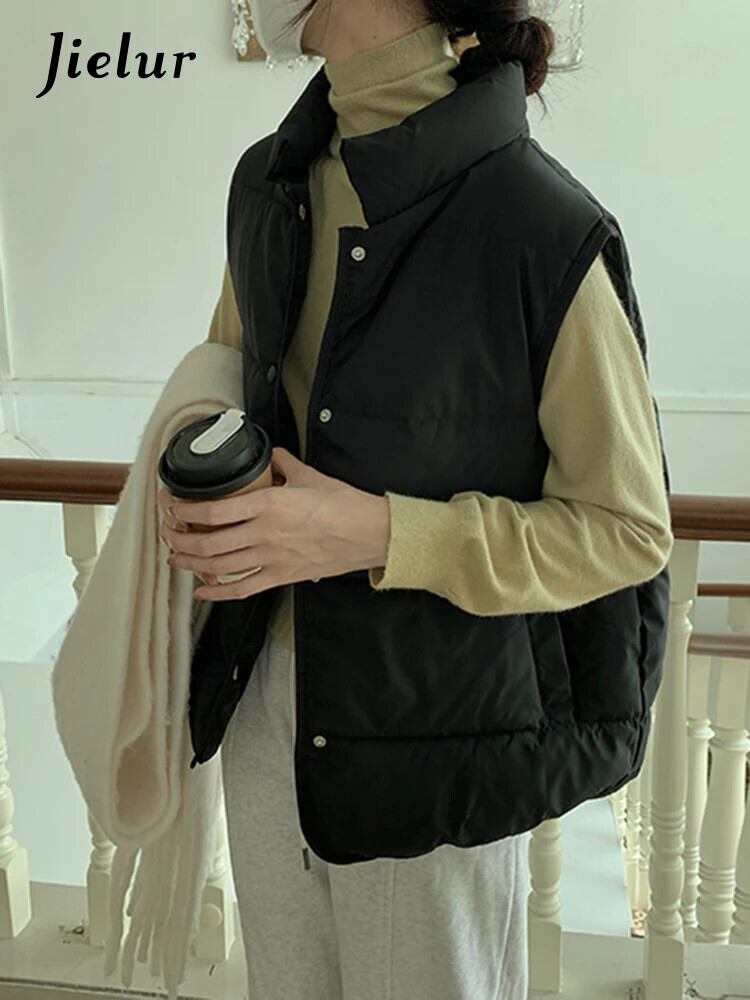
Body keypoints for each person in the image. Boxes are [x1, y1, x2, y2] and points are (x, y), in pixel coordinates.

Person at [158, 1, 674, 997]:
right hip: (265, 702)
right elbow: (225, 385)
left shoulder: (538, 226)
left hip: (438, 738)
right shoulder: (271, 182)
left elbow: (625, 530)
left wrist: (382, 533)